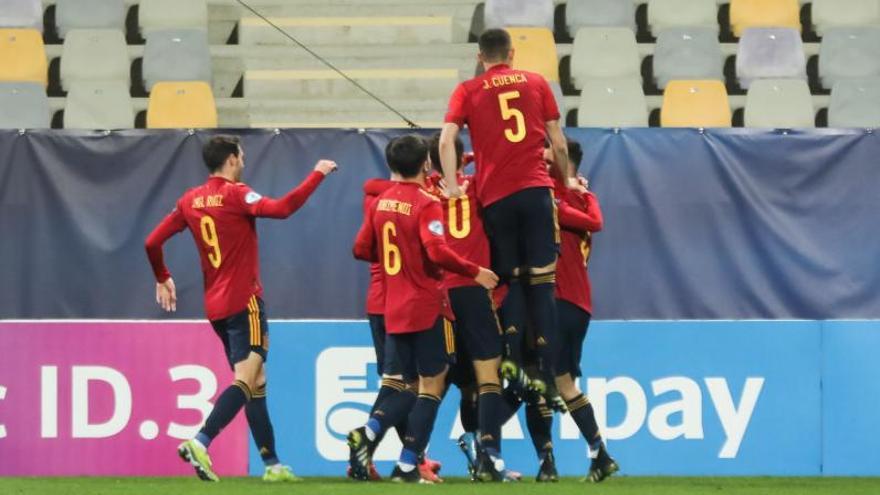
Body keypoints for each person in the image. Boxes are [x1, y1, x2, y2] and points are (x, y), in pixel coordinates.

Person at [144, 135, 336, 482]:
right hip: (244, 300)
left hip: (215, 306)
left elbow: (152, 241)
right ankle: (201, 440)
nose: (244, 160)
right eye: (241, 156)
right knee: (246, 379)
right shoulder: (236, 194)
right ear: (232, 159)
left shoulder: (190, 200)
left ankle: (273, 465)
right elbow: (282, 209)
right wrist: (318, 173)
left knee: (256, 381)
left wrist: (162, 276)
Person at [349, 135, 498, 483]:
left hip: (394, 306)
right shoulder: (426, 203)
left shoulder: (381, 202)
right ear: (427, 165)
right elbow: (436, 251)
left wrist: (397, 261)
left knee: (404, 385)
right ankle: (399, 460)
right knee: (432, 385)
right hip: (427, 305)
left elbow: (360, 248)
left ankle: (376, 438)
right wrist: (474, 270)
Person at [439, 28, 571, 403]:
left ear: (481, 56)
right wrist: (568, 180)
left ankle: (511, 357)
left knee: (510, 279)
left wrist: (451, 186)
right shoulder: (536, 82)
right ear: (512, 53)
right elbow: (557, 142)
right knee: (542, 281)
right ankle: (545, 373)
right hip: (534, 190)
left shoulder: (467, 89)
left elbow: (446, 140)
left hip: (496, 196)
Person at [427, 133, 514, 481]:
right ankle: (489, 457)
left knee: (447, 382)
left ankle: (413, 455)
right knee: (487, 377)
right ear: (464, 160)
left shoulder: (427, 191)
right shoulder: (479, 187)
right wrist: (467, 158)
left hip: (438, 294)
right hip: (474, 288)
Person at [546, 138, 619, 483]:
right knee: (561, 384)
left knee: (544, 380)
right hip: (578, 303)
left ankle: (489, 450)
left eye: (546, 152)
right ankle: (596, 455)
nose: (541, 157)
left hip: (562, 300)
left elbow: (592, 222)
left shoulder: (557, 199)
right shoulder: (581, 196)